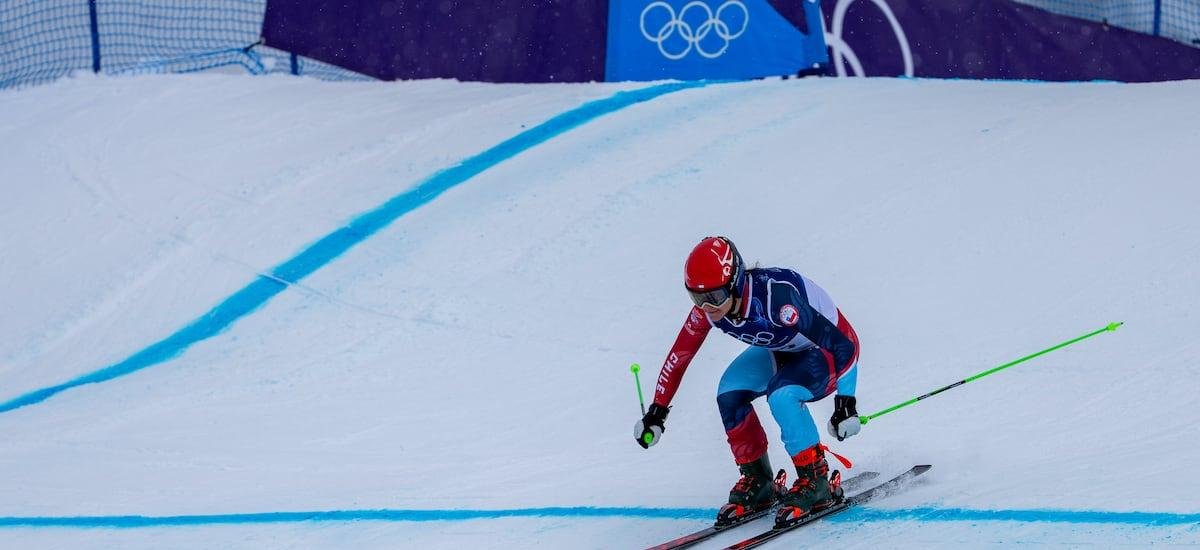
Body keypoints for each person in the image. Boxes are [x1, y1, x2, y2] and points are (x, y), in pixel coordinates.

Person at [634, 236, 862, 527]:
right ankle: (759, 481)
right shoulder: (709, 311)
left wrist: (846, 404)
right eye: (697, 298)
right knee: (729, 392)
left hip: (827, 352)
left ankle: (815, 481)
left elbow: (843, 346)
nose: (707, 306)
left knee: (782, 395)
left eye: (715, 297)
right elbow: (679, 356)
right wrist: (657, 411)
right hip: (783, 349)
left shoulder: (776, 300)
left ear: (735, 282)